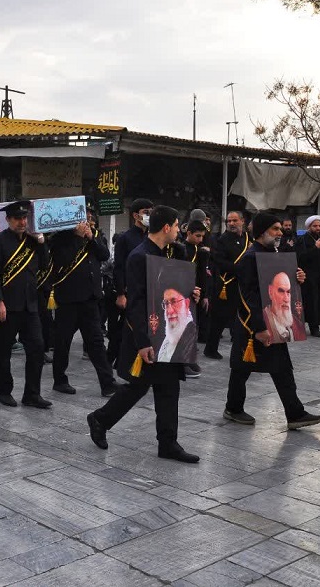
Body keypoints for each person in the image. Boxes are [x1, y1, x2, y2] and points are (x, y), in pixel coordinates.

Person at [87, 206, 201, 463]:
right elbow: (136, 303)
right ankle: (100, 419)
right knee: (138, 387)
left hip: (168, 333)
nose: (178, 230)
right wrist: (142, 342)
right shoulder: (139, 256)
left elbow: (175, 289)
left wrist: (191, 293)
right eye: (176, 225)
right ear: (166, 227)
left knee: (167, 388)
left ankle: (167, 443)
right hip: (147, 335)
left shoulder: (173, 252)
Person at [222, 213, 320, 430]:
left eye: (280, 228)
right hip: (254, 326)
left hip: (274, 325)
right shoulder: (250, 257)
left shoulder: (277, 255)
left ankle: (294, 413)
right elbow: (247, 296)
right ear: (262, 232)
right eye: (275, 229)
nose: (280, 233)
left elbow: (285, 286)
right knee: (242, 369)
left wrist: (297, 279)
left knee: (280, 369)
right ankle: (234, 408)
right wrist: (259, 328)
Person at [0, 201, 51, 408]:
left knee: (37, 348)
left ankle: (32, 394)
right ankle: (4, 392)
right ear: (8, 220)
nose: (22, 222)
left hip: (30, 305)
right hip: (7, 305)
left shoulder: (32, 241)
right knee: (3, 351)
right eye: (17, 219)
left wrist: (41, 242)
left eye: (24, 218)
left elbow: (45, 264)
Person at [48, 219, 121, 397]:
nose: (85, 222)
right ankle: (59, 380)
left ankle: (108, 383)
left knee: (96, 342)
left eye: (88, 218)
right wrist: (78, 238)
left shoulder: (94, 235)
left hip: (90, 297)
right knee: (63, 341)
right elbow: (63, 261)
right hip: (69, 298)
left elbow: (104, 255)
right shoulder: (59, 238)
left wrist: (90, 238)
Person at [108, 198, 154, 366]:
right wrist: (121, 294)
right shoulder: (125, 238)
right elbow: (118, 268)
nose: (149, 215)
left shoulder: (151, 237)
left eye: (151, 212)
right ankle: (109, 360)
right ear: (135, 215)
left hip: (146, 292)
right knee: (122, 330)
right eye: (146, 212)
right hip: (129, 292)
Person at [205, 211, 251, 359]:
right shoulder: (222, 240)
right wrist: (240, 269)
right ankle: (210, 349)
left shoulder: (247, 238)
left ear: (242, 221)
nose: (231, 224)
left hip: (242, 284)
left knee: (242, 317)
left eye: (234, 220)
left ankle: (242, 348)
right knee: (219, 319)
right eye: (229, 221)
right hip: (226, 283)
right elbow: (219, 261)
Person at [181, 219, 210, 377]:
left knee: (193, 327)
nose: (200, 239)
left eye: (202, 236)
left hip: (196, 295)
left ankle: (190, 358)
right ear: (189, 233)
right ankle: (182, 361)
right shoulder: (180, 248)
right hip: (181, 293)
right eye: (197, 236)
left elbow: (202, 276)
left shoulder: (201, 252)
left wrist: (205, 295)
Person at [296, 215, 320, 337]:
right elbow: (301, 257)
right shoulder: (302, 240)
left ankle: (315, 326)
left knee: (318, 303)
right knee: (307, 303)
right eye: (315, 226)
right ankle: (303, 326)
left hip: (319, 277)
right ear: (309, 227)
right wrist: (315, 247)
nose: (318, 228)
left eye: (319, 226)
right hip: (306, 278)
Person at [156, 287, 198, 363]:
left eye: (174, 302)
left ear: (186, 304)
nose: (169, 311)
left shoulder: (190, 332)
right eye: (166, 303)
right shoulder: (166, 334)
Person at [262, 272, 306, 342]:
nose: (286, 299)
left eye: (288, 292)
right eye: (281, 291)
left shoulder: (297, 325)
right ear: (270, 292)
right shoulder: (262, 321)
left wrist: (300, 276)